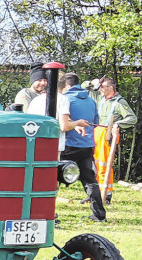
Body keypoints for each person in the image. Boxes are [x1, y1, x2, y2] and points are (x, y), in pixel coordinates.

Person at [28, 73, 104, 222]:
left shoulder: (62, 99)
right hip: (86, 145)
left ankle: (47, 213)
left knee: (51, 180)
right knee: (89, 179)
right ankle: (99, 214)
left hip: (65, 146)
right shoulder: (91, 101)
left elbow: (64, 123)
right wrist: (78, 125)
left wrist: (74, 125)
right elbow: (95, 121)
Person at [88, 76, 137, 204]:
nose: (100, 90)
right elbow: (83, 87)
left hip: (107, 134)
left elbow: (132, 118)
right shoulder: (99, 97)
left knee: (105, 165)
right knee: (94, 165)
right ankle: (94, 194)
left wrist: (118, 124)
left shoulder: (119, 102)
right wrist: (92, 82)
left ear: (111, 87)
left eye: (103, 87)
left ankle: (106, 195)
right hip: (96, 132)